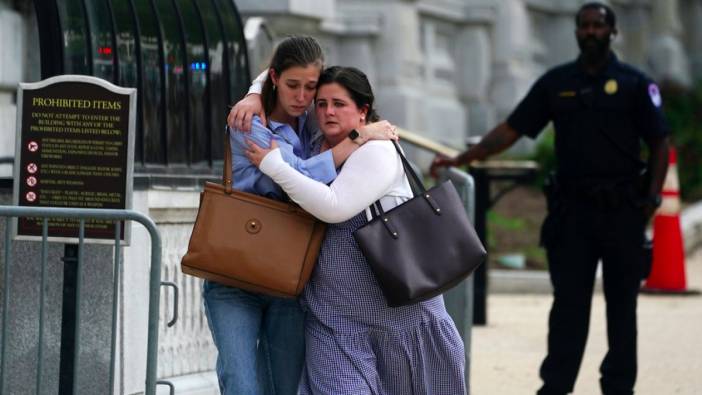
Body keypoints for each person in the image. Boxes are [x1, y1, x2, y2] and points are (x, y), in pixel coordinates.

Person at [432, 3, 669, 395]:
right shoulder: (556, 83)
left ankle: (619, 387)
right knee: (568, 309)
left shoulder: (634, 83)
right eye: (585, 26)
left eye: (599, 26)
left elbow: (660, 142)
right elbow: (512, 129)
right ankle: (556, 387)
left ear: (612, 33)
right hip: (572, 214)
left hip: (623, 211)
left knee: (622, 309)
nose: (591, 32)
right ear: (577, 32)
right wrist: (463, 158)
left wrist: (652, 200)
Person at [245, 66, 466, 394]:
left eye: (339, 104)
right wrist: (253, 94)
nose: (327, 111)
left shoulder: (379, 150)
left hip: (400, 319)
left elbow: (334, 207)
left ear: (363, 111)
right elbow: (284, 69)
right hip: (335, 322)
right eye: (320, 104)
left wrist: (273, 165)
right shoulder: (317, 143)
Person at [204, 36, 397, 395]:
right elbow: (300, 173)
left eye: (311, 88)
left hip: (289, 276)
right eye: (293, 85)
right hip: (234, 274)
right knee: (242, 384)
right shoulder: (249, 122)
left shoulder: (309, 121)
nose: (303, 97)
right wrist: (358, 136)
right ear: (275, 78)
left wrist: (255, 88)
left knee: (286, 385)